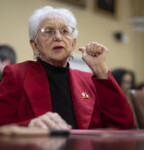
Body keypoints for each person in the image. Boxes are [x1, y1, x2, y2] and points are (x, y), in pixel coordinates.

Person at [0, 6, 134, 130]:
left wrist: (100, 69)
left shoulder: (89, 81)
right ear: (34, 45)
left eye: (65, 31)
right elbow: (2, 127)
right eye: (48, 31)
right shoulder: (17, 75)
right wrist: (28, 126)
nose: (58, 37)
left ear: (73, 43)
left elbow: (124, 124)